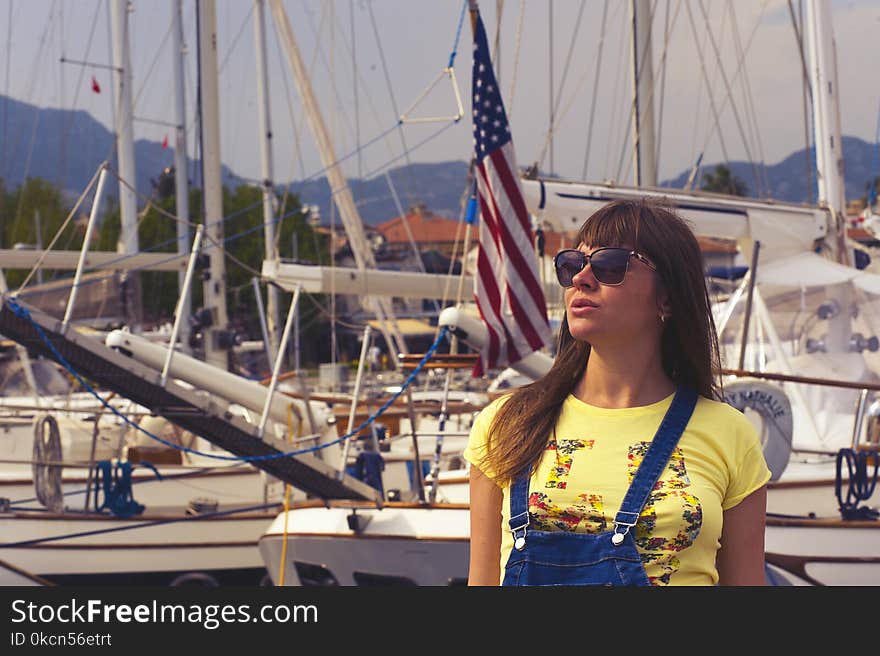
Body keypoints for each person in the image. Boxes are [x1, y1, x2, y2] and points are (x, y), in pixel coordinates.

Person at [464, 198, 771, 586]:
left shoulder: (730, 434)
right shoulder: (506, 425)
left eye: (611, 265)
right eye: (573, 265)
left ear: (668, 297)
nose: (581, 278)